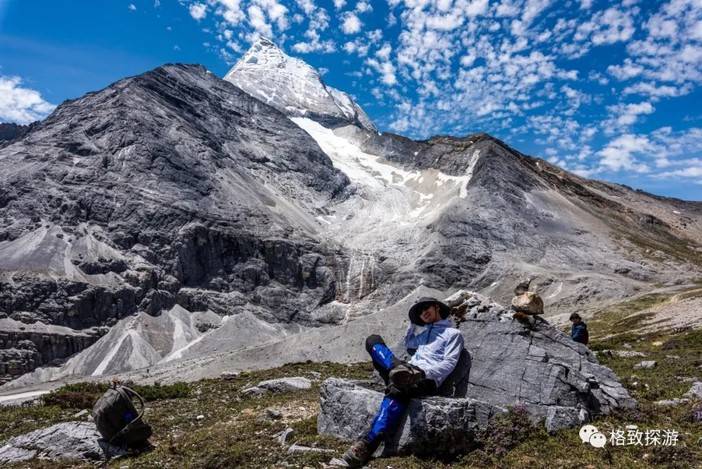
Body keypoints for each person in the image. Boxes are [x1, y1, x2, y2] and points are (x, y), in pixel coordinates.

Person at [341, 297, 465, 467]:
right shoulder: (423, 334)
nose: (423, 313)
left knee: (399, 388)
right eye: (419, 312)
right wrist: (414, 323)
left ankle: (368, 444)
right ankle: (398, 370)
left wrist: (423, 373)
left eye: (426, 308)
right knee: (373, 340)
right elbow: (408, 342)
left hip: (425, 378)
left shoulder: (453, 334)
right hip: (406, 370)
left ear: (437, 307)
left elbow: (449, 363)